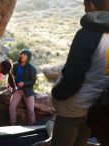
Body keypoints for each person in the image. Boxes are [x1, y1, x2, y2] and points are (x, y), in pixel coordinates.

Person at [51, 0, 109, 146]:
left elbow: (73, 77)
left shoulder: (87, 34)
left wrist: (57, 93)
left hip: (73, 107)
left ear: (90, 6)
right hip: (97, 104)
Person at [9, 49, 37, 126]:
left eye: (25, 54)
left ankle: (31, 125)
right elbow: (11, 77)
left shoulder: (32, 68)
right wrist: (11, 86)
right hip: (17, 90)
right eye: (21, 54)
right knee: (12, 107)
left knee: (31, 110)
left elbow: (33, 82)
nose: (22, 55)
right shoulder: (15, 65)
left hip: (27, 91)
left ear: (28, 57)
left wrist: (24, 83)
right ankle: (12, 124)